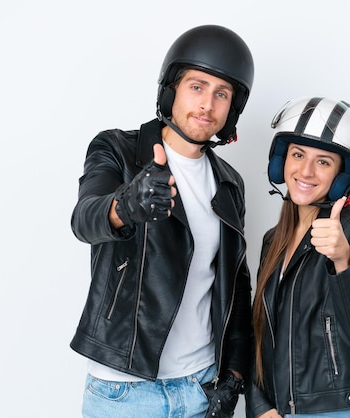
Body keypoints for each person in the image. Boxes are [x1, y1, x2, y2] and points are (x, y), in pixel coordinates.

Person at [70, 24, 254, 418]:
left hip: (202, 385)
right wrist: (126, 205)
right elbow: (84, 219)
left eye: (222, 94)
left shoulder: (229, 184)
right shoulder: (118, 149)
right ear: (171, 90)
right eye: (197, 86)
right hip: (124, 392)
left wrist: (234, 377)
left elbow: (236, 286)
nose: (207, 104)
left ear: (232, 109)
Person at [245, 97, 350, 418]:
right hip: (280, 410)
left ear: (341, 174)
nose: (305, 170)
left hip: (334, 408)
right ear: (281, 160)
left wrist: (343, 260)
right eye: (297, 155)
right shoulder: (273, 240)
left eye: (323, 161)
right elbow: (260, 331)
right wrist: (259, 406)